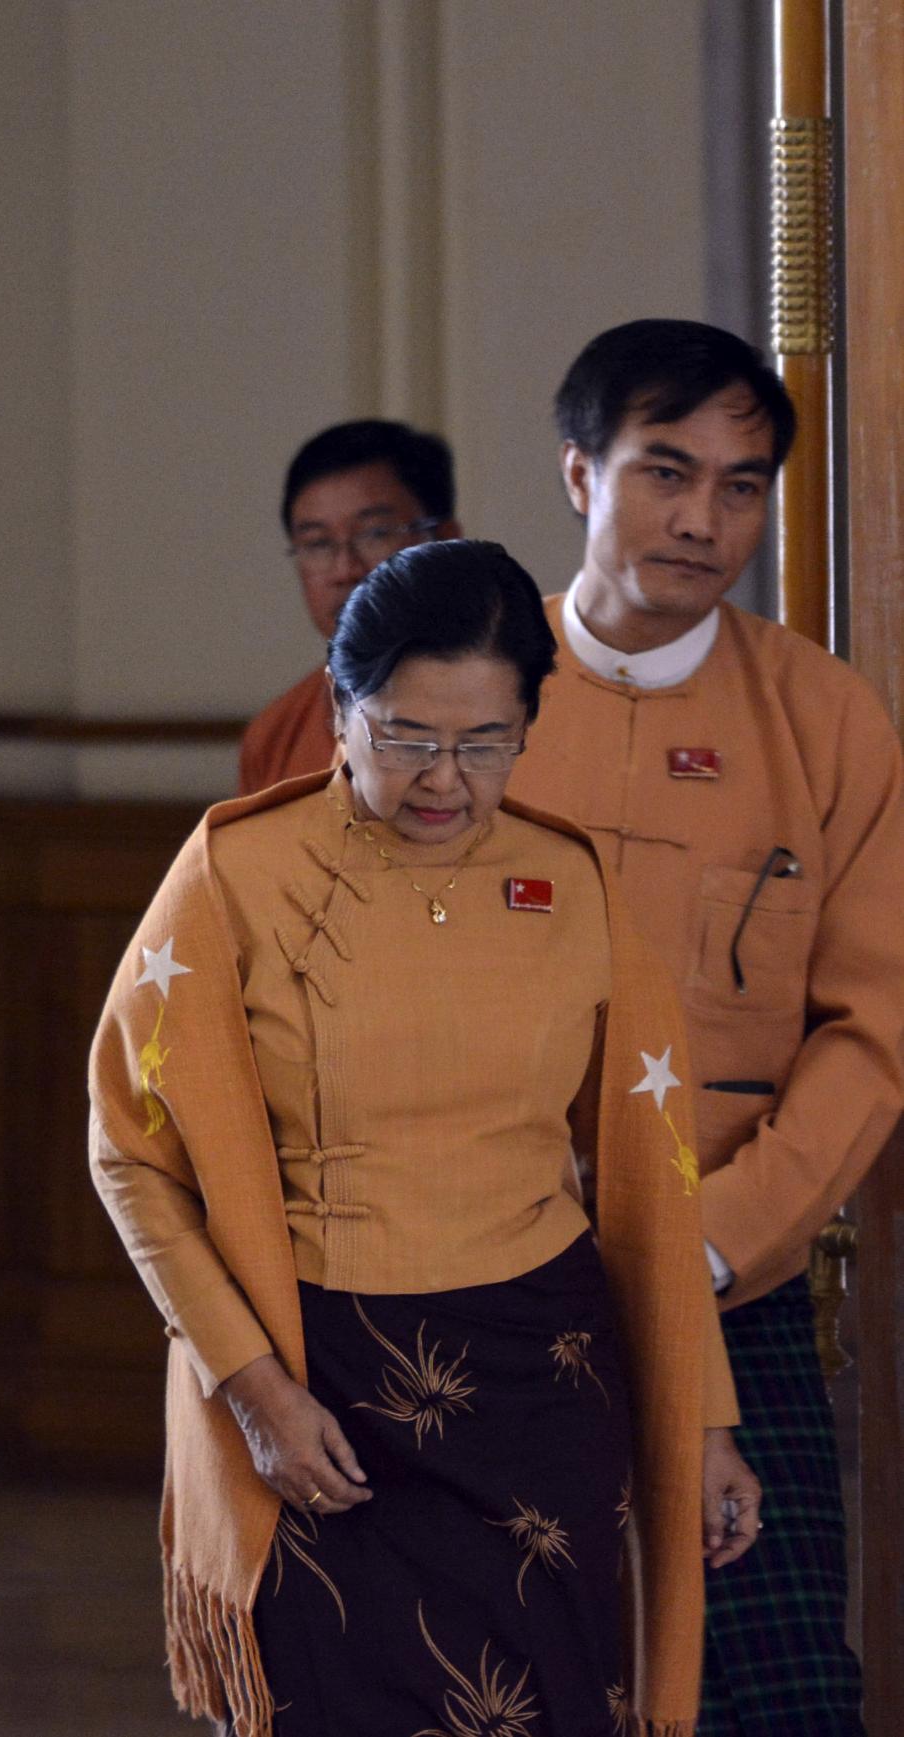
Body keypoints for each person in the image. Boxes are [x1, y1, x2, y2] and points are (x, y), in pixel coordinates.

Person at [91, 539, 756, 1736]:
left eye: (485, 742)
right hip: (318, 1387)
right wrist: (251, 1393)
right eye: (403, 735)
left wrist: (701, 1421)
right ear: (340, 711)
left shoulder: (568, 879)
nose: (443, 778)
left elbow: (656, 1185)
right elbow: (131, 1158)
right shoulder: (234, 872)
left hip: (538, 1384)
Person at [508, 318, 904, 1736]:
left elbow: (876, 1028)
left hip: (739, 1283)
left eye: (743, 484)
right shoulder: (465, 703)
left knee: (787, 1690)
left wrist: (720, 1238)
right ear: (578, 475)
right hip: (490, 1280)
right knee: (517, 1682)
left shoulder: (825, 721)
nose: (703, 517)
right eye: (665, 470)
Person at [239, 420, 459, 793]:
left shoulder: (523, 709)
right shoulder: (276, 733)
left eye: (375, 534)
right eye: (318, 543)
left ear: (447, 541)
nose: (345, 570)